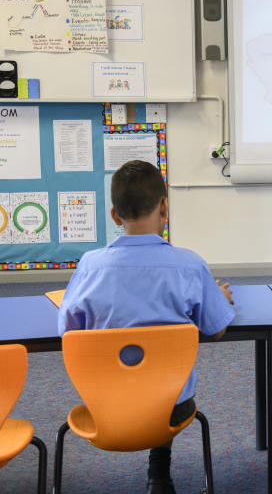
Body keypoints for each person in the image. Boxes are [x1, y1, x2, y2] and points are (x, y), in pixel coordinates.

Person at [58, 160, 235, 494]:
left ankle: (159, 473)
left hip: (104, 405)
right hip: (171, 408)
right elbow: (217, 329)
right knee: (159, 378)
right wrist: (220, 300)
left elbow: (69, 331)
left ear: (114, 215)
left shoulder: (89, 266)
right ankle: (159, 474)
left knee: (140, 375)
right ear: (164, 206)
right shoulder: (190, 266)